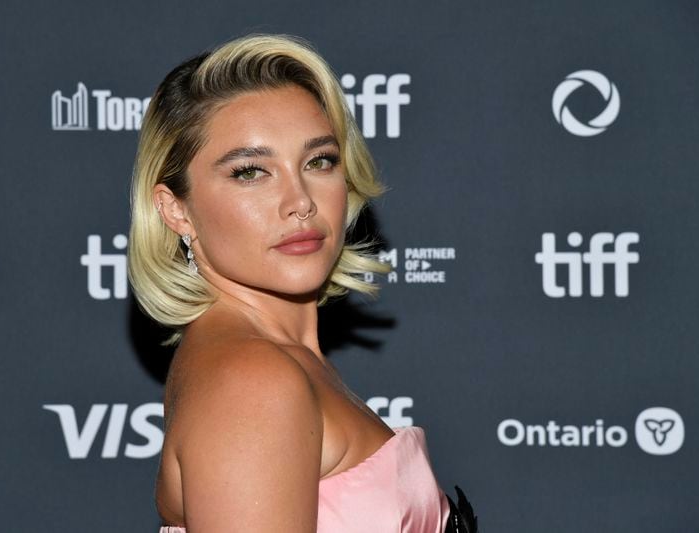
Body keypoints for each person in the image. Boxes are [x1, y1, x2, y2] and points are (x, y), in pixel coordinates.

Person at [128, 33, 476, 533]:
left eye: (319, 161)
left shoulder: (273, 360)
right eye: (250, 172)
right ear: (176, 210)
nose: (300, 201)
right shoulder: (252, 381)